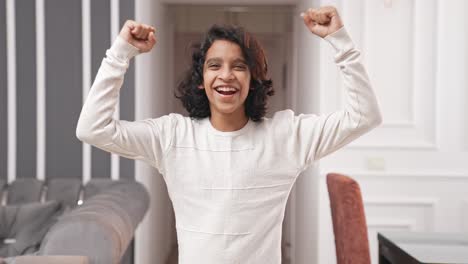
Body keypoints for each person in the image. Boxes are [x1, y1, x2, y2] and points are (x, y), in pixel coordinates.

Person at [76, 6, 382, 263]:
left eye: (239, 66)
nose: (226, 75)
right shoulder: (171, 136)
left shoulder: (286, 136)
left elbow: (364, 115)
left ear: (253, 80)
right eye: (214, 66)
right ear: (201, 80)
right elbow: (93, 128)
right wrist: (120, 54)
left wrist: (340, 41)